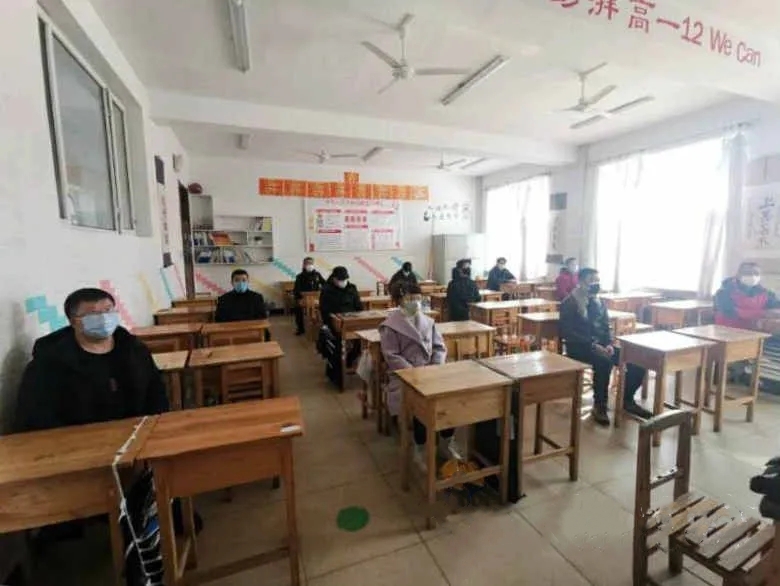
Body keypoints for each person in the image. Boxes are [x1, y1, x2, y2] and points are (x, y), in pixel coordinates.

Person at [15, 287, 169, 432]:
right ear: (73, 321)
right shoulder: (49, 362)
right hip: (76, 440)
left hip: (137, 432)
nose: (103, 318)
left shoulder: (134, 349)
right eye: (93, 314)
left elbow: (156, 394)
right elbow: (37, 416)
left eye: (108, 311)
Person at [379, 284, 461, 470]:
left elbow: (439, 347)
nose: (415, 302)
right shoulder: (390, 326)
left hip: (431, 373)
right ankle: (421, 446)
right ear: (399, 300)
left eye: (417, 298)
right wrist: (414, 373)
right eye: (409, 299)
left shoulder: (428, 322)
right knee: (419, 404)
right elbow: (391, 355)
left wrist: (435, 367)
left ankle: (446, 441)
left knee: (450, 400)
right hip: (405, 376)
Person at [559, 268, 652, 425]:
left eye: (597, 280)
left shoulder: (599, 302)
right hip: (579, 347)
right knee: (604, 362)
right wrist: (593, 345)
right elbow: (567, 332)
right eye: (591, 280)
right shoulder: (570, 302)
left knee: (637, 361)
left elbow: (606, 326)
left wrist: (609, 343)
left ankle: (627, 400)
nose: (596, 284)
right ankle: (600, 405)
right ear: (580, 282)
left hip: (601, 345)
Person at [714, 262, 780, 330]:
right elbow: (730, 312)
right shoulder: (724, 292)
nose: (752, 276)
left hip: (754, 330)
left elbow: (776, 304)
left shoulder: (764, 293)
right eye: (748, 273)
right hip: (727, 330)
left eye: (756, 273)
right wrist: (763, 314)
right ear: (738, 275)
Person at [319, 266, 363, 330]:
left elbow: (358, 305)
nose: (343, 281)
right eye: (340, 279)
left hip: (352, 320)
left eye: (344, 279)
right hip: (335, 322)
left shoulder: (352, 288)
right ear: (334, 278)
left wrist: (360, 317)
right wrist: (332, 322)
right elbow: (324, 310)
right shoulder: (326, 290)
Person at [293, 257, 325, 335]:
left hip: (316, 299)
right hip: (304, 299)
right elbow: (296, 290)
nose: (309, 265)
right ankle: (300, 328)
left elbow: (325, 284)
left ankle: (324, 327)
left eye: (311, 263)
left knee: (326, 306)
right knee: (297, 307)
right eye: (307, 263)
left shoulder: (317, 275)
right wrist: (301, 296)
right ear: (304, 265)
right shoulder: (299, 276)